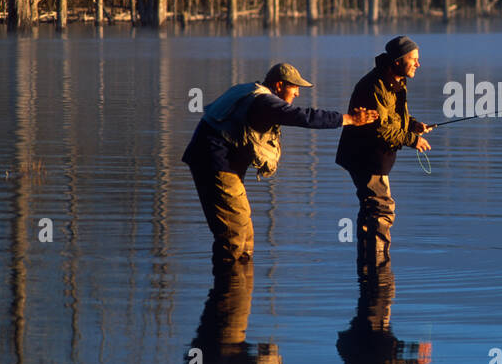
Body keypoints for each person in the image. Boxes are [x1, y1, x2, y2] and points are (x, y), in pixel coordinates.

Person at [182, 63, 378, 263]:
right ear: (278, 85)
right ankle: (228, 285)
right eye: (294, 87)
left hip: (219, 163)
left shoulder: (250, 91)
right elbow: (304, 117)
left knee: (244, 232)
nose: (297, 93)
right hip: (215, 164)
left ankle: (238, 285)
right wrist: (349, 119)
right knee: (234, 235)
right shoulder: (265, 102)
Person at [336, 36, 433, 275]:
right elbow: (380, 129)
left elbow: (391, 118)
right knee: (381, 208)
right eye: (414, 59)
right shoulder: (376, 85)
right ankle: (377, 264)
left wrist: (412, 125)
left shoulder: (393, 80)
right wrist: (413, 140)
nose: (418, 64)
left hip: (373, 157)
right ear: (398, 61)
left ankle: (371, 261)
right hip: (365, 156)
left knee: (373, 208)